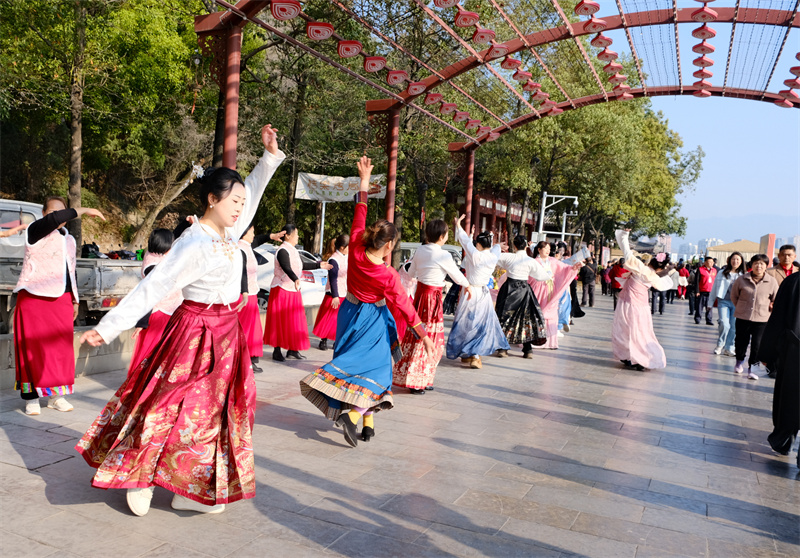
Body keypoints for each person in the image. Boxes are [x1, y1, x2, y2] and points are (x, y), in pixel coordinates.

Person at [75, 124, 285, 516]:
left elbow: (253, 192)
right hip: (192, 331)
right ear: (211, 199)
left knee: (212, 413)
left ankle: (186, 487)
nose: (241, 206)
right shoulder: (194, 242)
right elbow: (153, 288)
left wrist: (270, 156)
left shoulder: (227, 232)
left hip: (226, 335)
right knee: (167, 404)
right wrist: (107, 327)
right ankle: (140, 478)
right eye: (233, 200)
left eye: (242, 202)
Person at [300, 156, 434, 447]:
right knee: (380, 373)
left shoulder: (358, 246)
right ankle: (353, 415)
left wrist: (363, 180)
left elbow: (360, 210)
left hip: (348, 313)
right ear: (388, 245)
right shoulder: (387, 275)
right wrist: (423, 335)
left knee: (354, 368)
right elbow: (404, 306)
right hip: (372, 319)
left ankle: (368, 424)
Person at [13, 197, 105, 415]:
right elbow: (56, 219)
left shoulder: (69, 239)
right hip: (34, 298)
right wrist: (84, 209)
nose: (58, 218)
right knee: (31, 349)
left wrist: (74, 299)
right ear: (44, 213)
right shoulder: (34, 231)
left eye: (62, 213)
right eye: (53, 213)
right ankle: (31, 397)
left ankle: (56, 396)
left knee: (60, 350)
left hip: (61, 300)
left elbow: (70, 271)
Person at [393, 219, 472, 393]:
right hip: (432, 299)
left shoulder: (420, 250)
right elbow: (457, 275)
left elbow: (412, 273)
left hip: (420, 296)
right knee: (430, 337)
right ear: (442, 236)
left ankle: (416, 377)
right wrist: (468, 285)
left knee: (416, 334)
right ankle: (420, 380)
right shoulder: (443, 255)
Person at [445, 216, 509, 369]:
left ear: (478, 244)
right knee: (479, 323)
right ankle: (470, 353)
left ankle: (474, 355)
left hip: (470, 291)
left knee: (468, 322)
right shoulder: (493, 255)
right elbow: (496, 248)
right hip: (483, 292)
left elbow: (465, 242)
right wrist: (497, 245)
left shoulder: (475, 254)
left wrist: (458, 225)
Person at [265, 224, 332, 361]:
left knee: (294, 321)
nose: (298, 237)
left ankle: (292, 349)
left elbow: (302, 265)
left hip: (293, 289)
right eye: (296, 234)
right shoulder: (283, 250)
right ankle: (276, 351)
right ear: (288, 235)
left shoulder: (293, 251)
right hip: (282, 289)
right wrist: (295, 278)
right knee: (280, 321)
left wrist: (319, 265)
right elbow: (286, 267)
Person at [611, 230, 673, 371]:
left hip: (628, 304)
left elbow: (626, 252)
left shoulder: (640, 268)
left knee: (625, 331)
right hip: (641, 307)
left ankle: (632, 357)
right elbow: (667, 281)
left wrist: (624, 237)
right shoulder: (654, 277)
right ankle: (637, 357)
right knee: (640, 333)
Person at [127, 229, 184, 375]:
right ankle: (140, 385)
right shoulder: (153, 267)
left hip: (169, 309)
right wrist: (142, 322)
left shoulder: (154, 254)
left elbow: (174, 235)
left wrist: (186, 223)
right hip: (159, 313)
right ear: (166, 247)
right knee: (152, 352)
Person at [758, 272, 799, 466]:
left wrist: (766, 354)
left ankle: (783, 438)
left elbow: (777, 321)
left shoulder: (794, 281)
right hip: (793, 350)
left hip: (793, 353)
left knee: (790, 400)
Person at [730, 254, 779, 380]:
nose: (759, 266)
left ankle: (753, 369)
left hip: (762, 318)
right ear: (751, 265)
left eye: (762, 264)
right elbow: (734, 296)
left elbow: (776, 299)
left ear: (766, 266)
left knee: (757, 345)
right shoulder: (742, 279)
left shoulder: (772, 281)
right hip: (743, 317)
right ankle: (739, 361)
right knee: (741, 341)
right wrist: (741, 307)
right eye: (756, 263)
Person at [529, 241, 583, 349]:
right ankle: (535, 339)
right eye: (545, 249)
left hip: (550, 290)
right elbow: (529, 277)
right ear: (539, 250)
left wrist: (574, 268)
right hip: (538, 291)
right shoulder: (534, 262)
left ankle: (550, 341)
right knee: (538, 313)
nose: (548, 251)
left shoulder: (552, 261)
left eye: (549, 249)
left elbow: (564, 268)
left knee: (552, 314)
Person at [312, 233, 349, 351]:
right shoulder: (334, 259)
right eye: (349, 246)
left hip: (344, 291)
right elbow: (333, 278)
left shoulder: (344, 257)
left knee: (340, 319)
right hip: (334, 293)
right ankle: (323, 340)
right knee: (328, 319)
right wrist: (335, 295)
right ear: (342, 247)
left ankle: (336, 341)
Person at [238, 223, 266, 372]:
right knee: (245, 328)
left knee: (253, 328)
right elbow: (241, 272)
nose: (254, 235)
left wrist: (271, 236)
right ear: (244, 233)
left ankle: (250, 359)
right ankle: (244, 360)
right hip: (244, 294)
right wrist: (244, 292)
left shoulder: (247, 246)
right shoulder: (240, 248)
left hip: (251, 292)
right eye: (252, 232)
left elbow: (259, 240)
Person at [708, 252, 745, 356]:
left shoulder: (744, 275)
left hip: (737, 303)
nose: (735, 261)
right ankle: (720, 345)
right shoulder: (722, 272)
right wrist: (710, 303)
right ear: (729, 260)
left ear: (741, 261)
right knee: (725, 324)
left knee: (734, 326)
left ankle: (729, 348)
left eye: (738, 259)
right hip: (723, 301)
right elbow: (715, 287)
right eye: (733, 259)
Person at [694, 256, 717, 325]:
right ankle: (697, 319)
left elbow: (716, 281)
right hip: (702, 291)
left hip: (711, 291)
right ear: (705, 262)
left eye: (712, 262)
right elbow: (697, 281)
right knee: (699, 306)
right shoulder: (700, 269)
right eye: (709, 262)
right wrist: (697, 291)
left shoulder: (714, 270)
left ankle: (709, 320)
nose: (710, 263)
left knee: (709, 306)